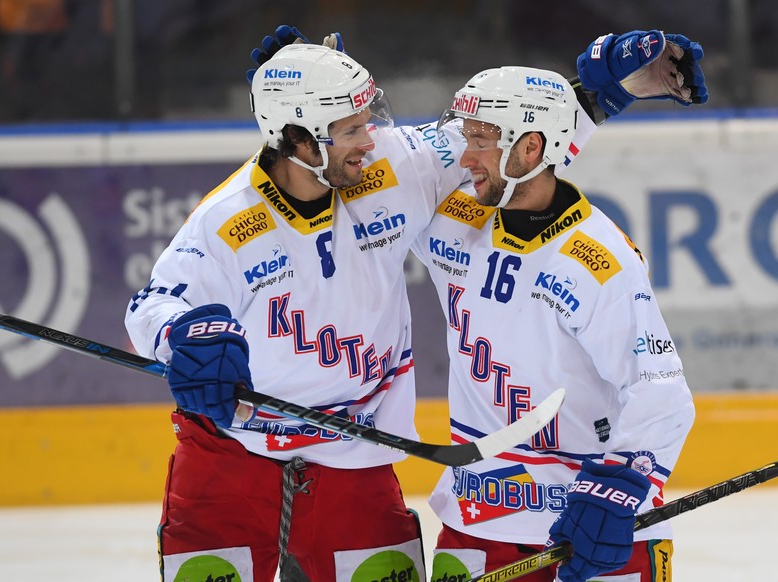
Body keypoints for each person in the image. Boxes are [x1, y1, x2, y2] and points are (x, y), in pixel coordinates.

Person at [124, 27, 706, 582]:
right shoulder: (227, 220)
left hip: (354, 448)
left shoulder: (395, 167)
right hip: (232, 449)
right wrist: (182, 338)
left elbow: (517, 138)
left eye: (366, 121)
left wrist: (607, 91)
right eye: (349, 129)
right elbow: (156, 304)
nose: (370, 140)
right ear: (299, 141)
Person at [414, 33, 701, 582]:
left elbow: (660, 389)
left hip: (590, 531)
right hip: (479, 523)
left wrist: (622, 481)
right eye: (465, 137)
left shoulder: (597, 260)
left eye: (481, 141)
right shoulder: (450, 219)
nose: (463, 156)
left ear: (529, 149)